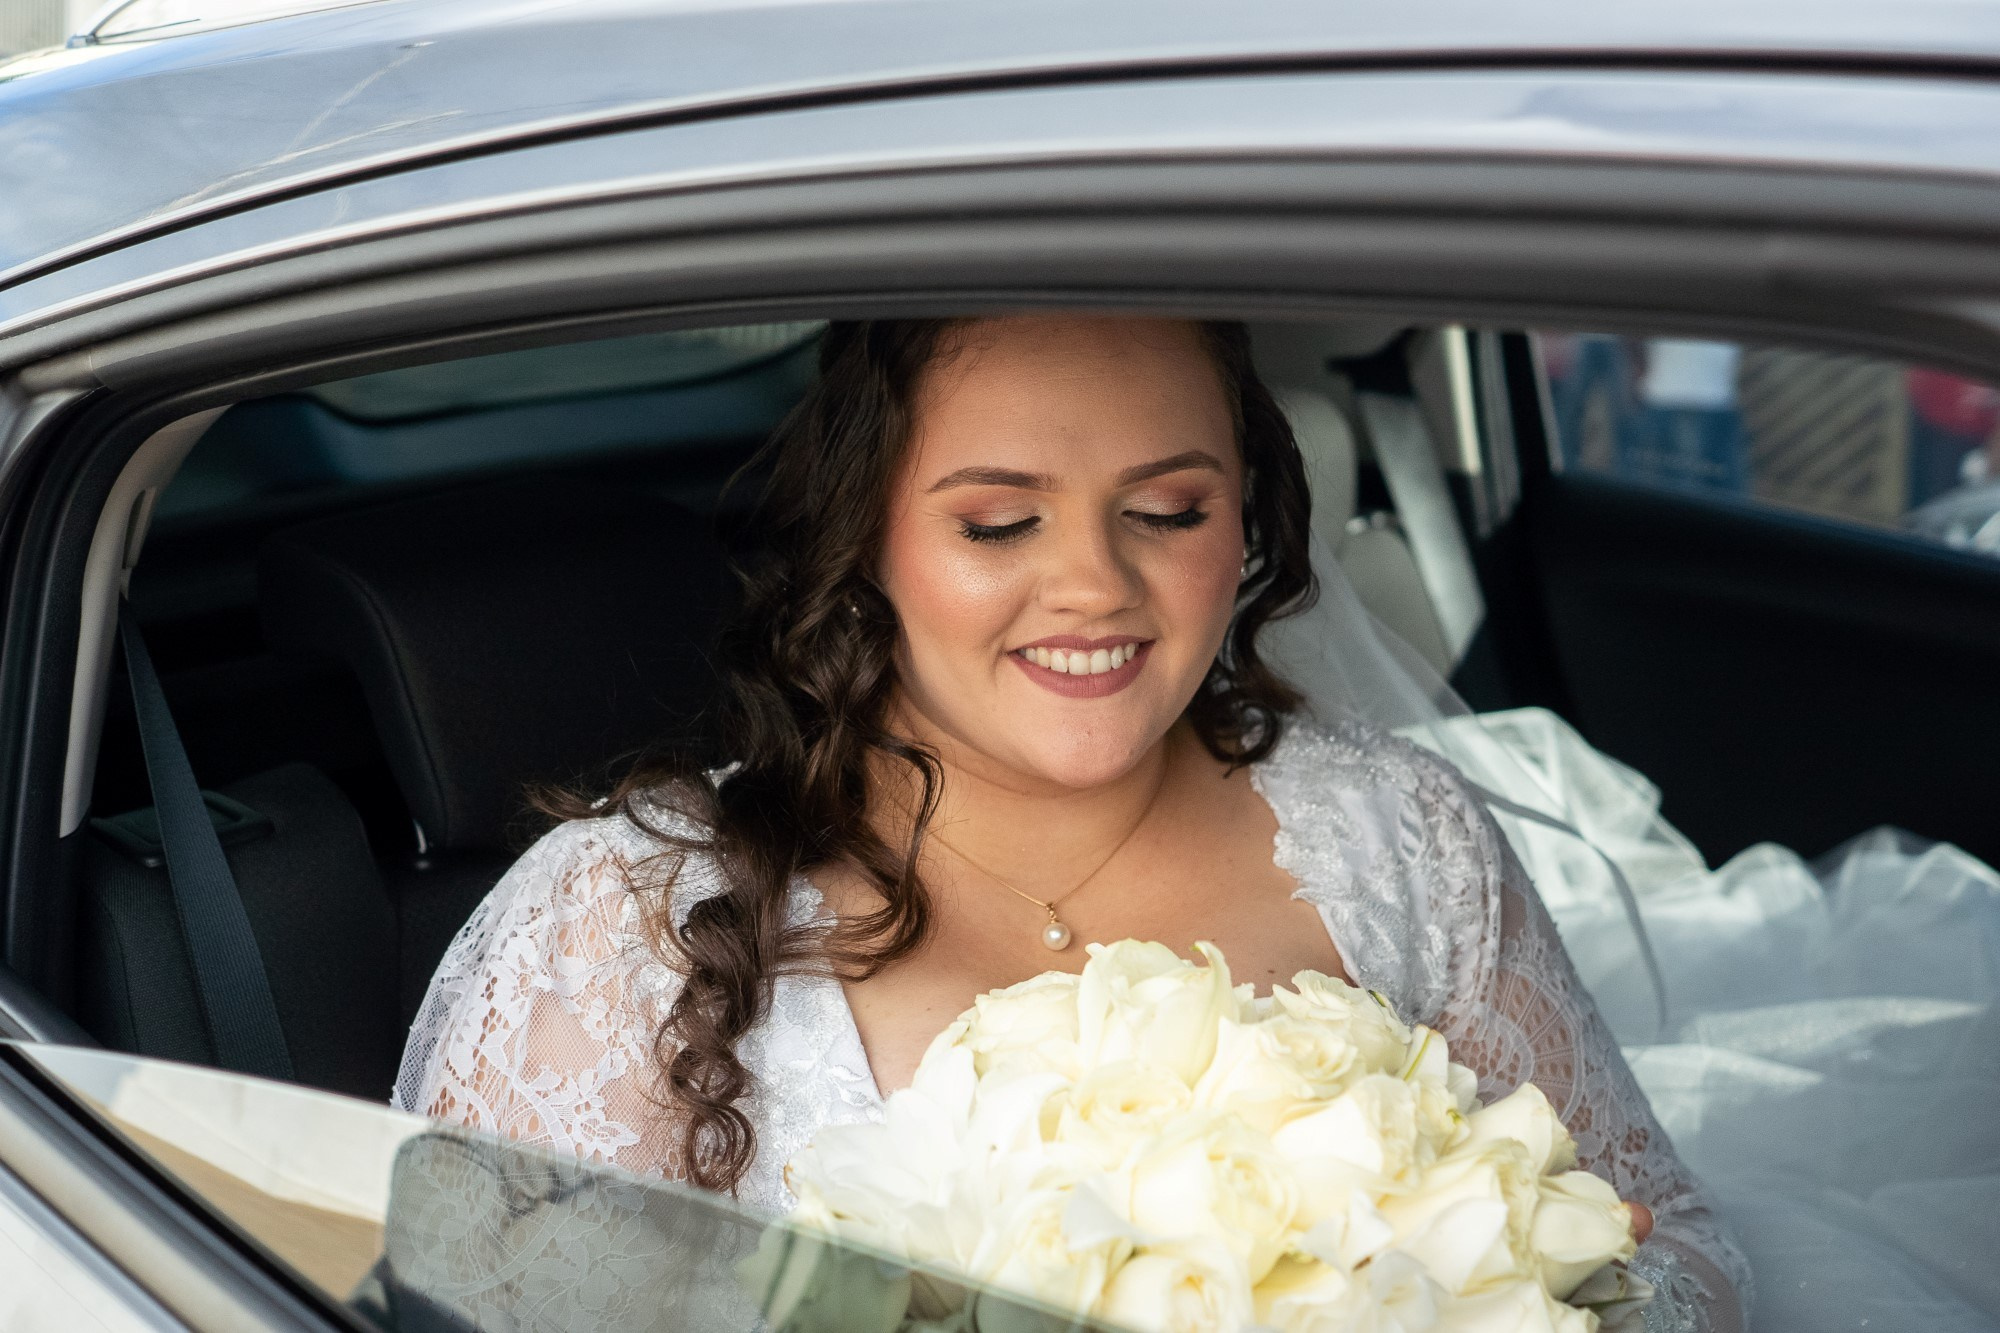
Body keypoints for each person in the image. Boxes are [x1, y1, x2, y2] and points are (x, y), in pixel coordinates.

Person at [394, 316, 1750, 1331]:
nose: (1094, 583)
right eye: (999, 524)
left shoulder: (1400, 835)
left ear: (1250, 518)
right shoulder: (628, 924)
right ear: (867, 535)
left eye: (1168, 510)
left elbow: (1674, 1241)